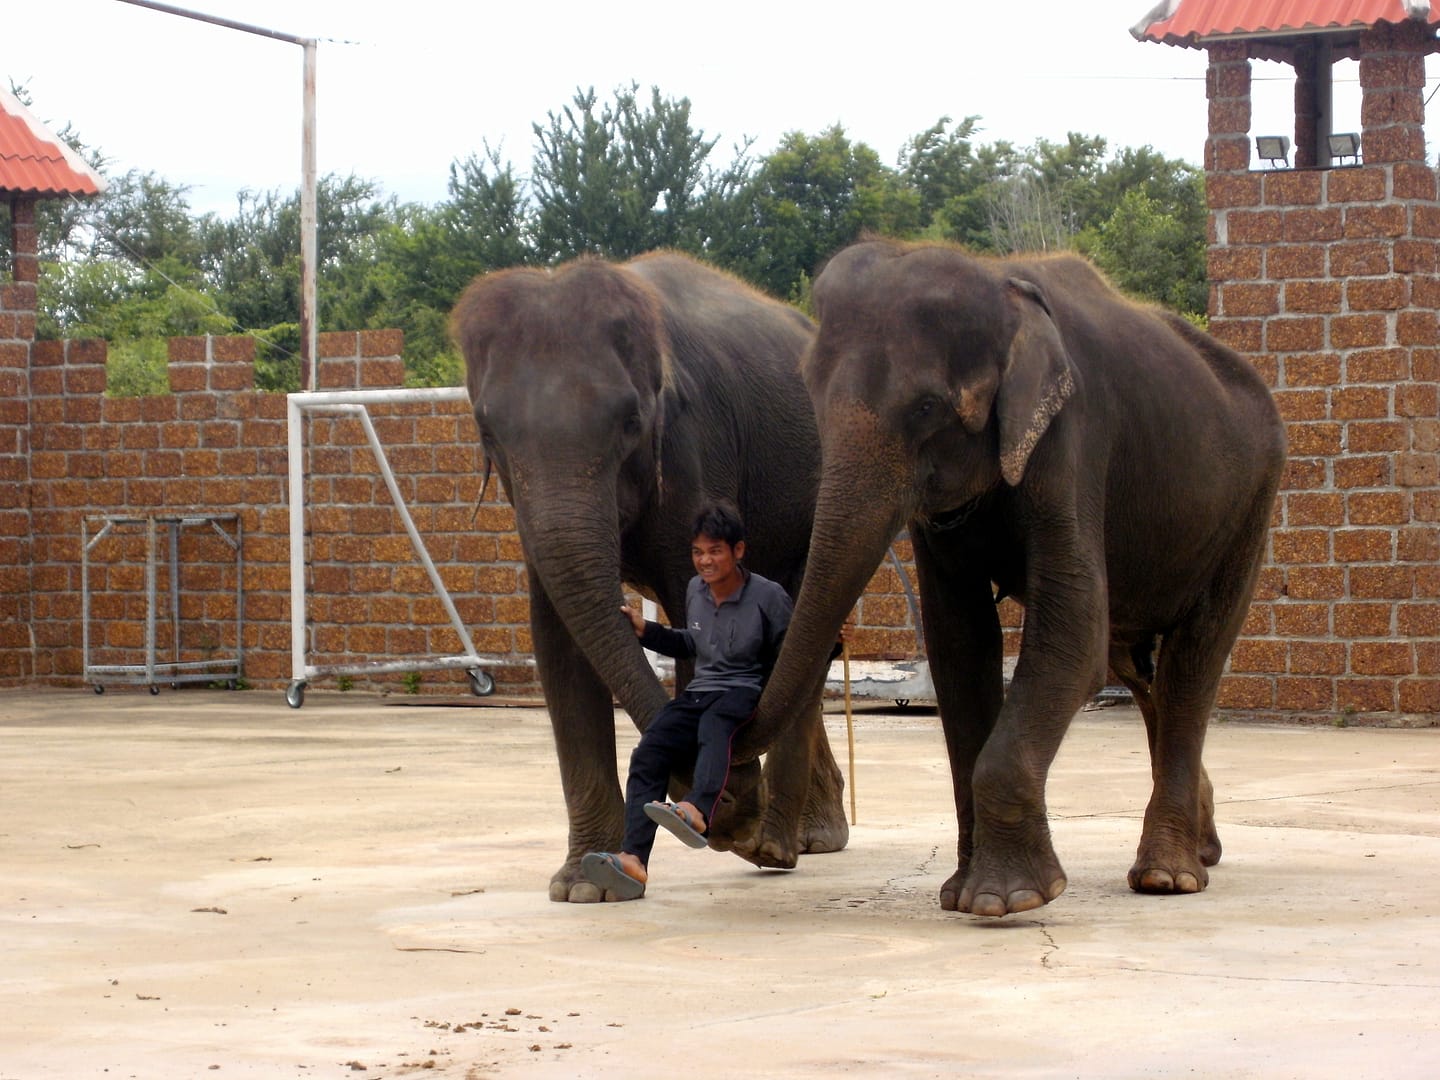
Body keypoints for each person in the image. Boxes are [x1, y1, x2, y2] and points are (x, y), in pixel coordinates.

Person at [580, 501, 796, 901]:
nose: (705, 561)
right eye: (698, 552)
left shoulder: (769, 597)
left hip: (742, 692)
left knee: (715, 727)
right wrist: (648, 630)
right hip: (699, 692)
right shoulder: (695, 590)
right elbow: (689, 644)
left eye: (715, 550)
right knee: (650, 751)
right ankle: (633, 861)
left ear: (738, 551)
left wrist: (830, 646)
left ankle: (698, 810)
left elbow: (794, 651)